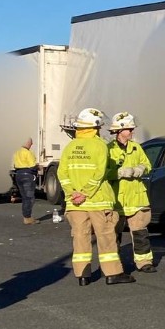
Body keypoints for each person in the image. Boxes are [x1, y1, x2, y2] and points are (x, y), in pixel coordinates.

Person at [58, 108, 135, 286]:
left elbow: (62, 173)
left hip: (75, 204)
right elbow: (99, 173)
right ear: (96, 127)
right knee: (106, 237)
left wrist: (72, 193)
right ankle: (112, 273)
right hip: (98, 201)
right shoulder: (99, 145)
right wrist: (85, 193)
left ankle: (82, 275)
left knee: (80, 238)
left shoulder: (70, 146)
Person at [107, 112, 156, 273]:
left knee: (140, 233)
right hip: (117, 200)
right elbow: (102, 172)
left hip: (136, 198)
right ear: (119, 130)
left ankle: (144, 262)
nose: (132, 132)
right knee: (114, 235)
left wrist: (141, 168)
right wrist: (119, 173)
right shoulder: (108, 149)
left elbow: (147, 165)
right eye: (129, 129)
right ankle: (114, 266)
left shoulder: (136, 147)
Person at [12, 137, 39, 225]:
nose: (32, 144)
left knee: (24, 197)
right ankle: (27, 218)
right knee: (30, 197)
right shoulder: (28, 153)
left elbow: (15, 165)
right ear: (27, 143)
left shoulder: (17, 152)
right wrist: (38, 167)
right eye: (31, 143)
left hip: (18, 175)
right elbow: (32, 166)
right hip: (28, 175)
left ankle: (26, 216)